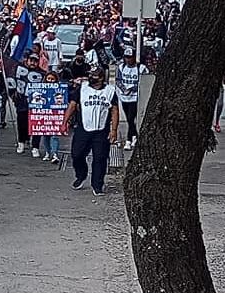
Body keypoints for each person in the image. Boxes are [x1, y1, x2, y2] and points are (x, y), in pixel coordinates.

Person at [64, 66, 119, 196]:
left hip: (101, 130)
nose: (92, 78)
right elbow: (72, 105)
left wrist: (114, 130)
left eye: (96, 76)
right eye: (91, 75)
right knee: (77, 154)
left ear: (102, 78)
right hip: (83, 128)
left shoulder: (110, 91)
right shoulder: (82, 88)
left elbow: (115, 111)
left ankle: (97, 184)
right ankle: (81, 174)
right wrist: (64, 122)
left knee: (100, 157)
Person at [115, 47, 148, 150]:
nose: (128, 60)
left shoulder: (141, 68)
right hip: (124, 97)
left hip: (134, 97)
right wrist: (123, 88)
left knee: (130, 118)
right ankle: (134, 136)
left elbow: (143, 82)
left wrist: (132, 89)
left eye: (130, 57)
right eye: (126, 57)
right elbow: (118, 80)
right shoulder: (121, 67)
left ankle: (129, 140)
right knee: (129, 119)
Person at [14, 53, 46, 156]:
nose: (33, 63)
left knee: (36, 124)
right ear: (27, 60)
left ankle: (35, 146)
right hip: (22, 101)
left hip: (36, 103)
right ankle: (21, 142)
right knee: (22, 123)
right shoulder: (19, 70)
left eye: (35, 61)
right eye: (31, 60)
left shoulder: (42, 73)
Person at [40, 72, 63, 163]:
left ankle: (55, 154)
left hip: (55, 115)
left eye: (52, 79)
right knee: (45, 135)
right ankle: (47, 152)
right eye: (48, 79)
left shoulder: (60, 89)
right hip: (44, 115)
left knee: (54, 135)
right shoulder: (40, 88)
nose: (50, 81)